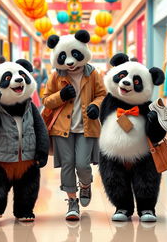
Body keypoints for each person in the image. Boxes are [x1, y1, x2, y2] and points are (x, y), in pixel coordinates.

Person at [42, 31, 106, 221]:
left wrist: (96, 105)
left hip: (87, 127)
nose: (70, 61)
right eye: (64, 57)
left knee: (83, 164)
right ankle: (72, 202)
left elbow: (102, 94)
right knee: (68, 165)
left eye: (74, 55)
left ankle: (85, 185)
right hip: (62, 129)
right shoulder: (55, 76)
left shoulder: (93, 73)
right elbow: (46, 101)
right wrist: (61, 96)